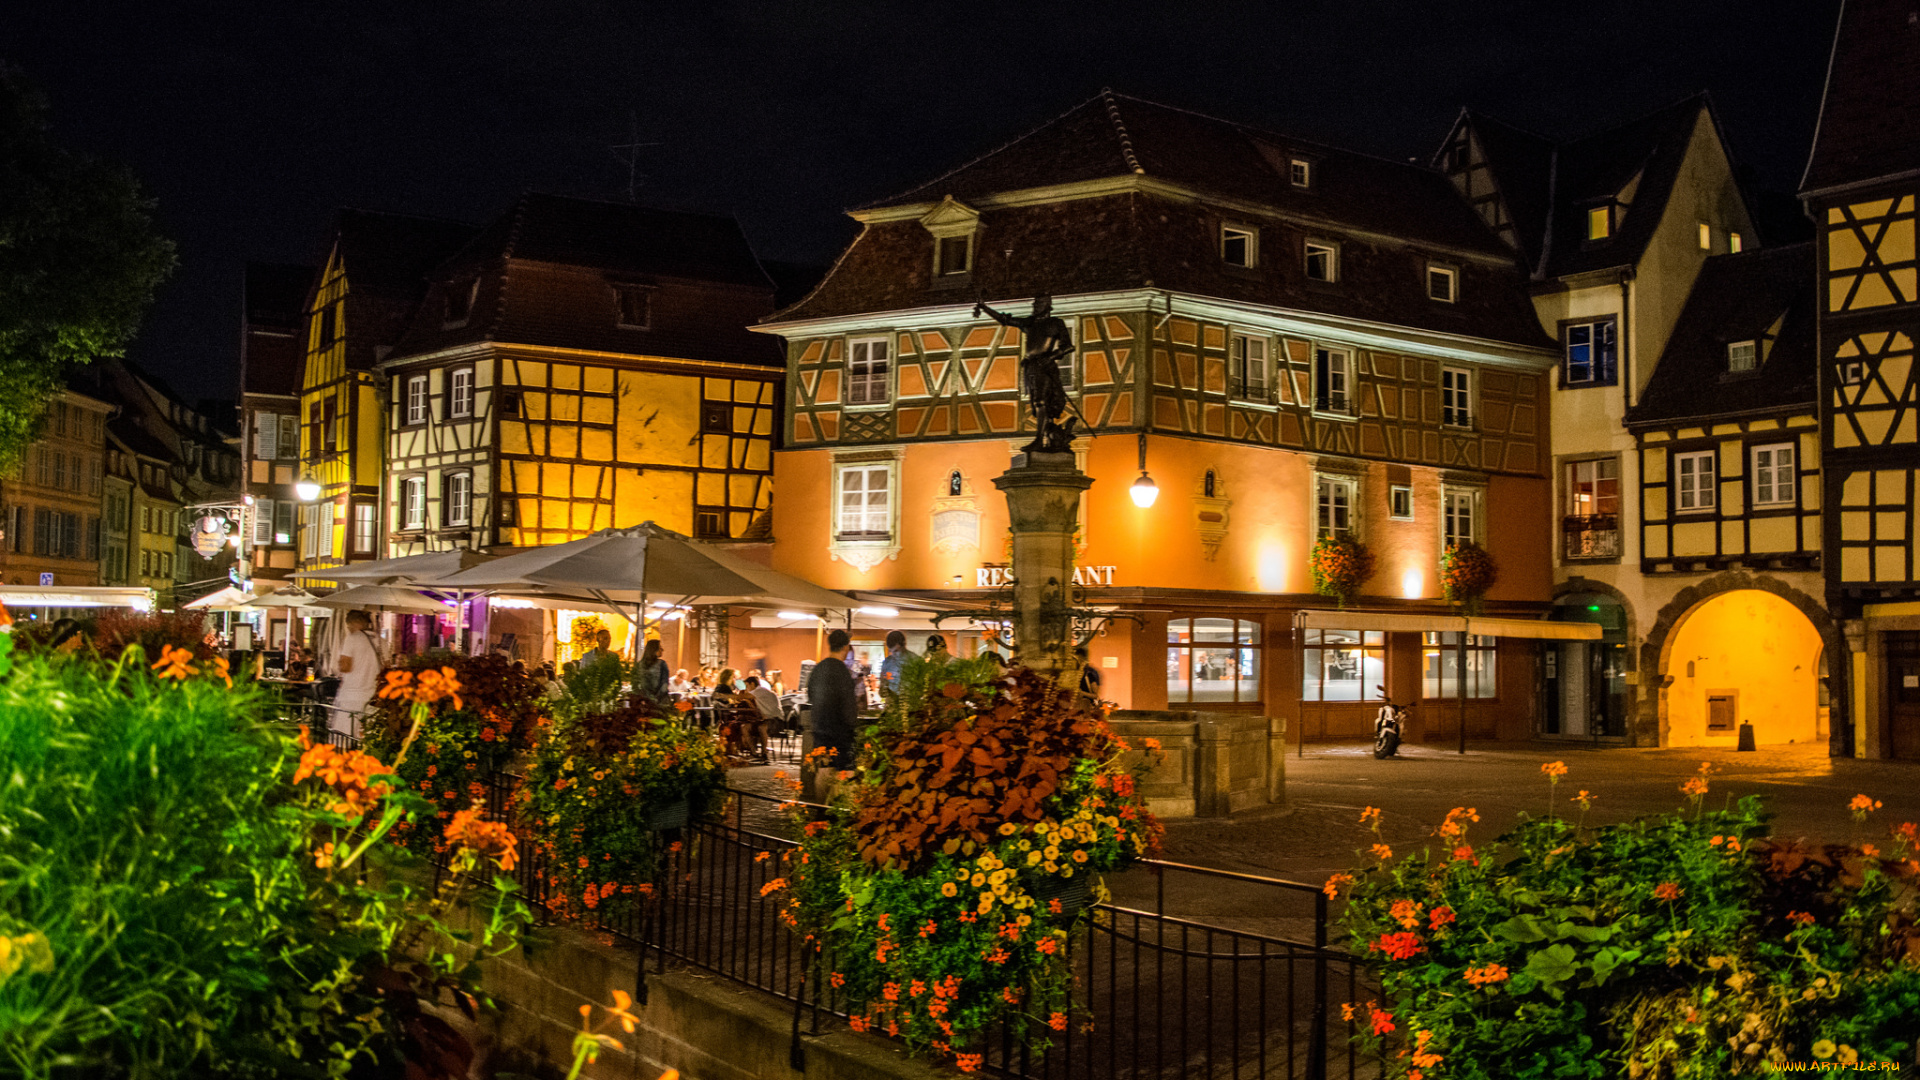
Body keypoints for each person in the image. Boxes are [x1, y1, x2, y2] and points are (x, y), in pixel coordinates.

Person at [807, 629, 858, 776]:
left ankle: (820, 799)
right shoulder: (843, 672)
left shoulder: (818, 669)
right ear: (845, 647)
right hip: (840, 733)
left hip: (820, 730)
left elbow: (810, 696)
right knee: (842, 773)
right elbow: (848, 705)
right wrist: (852, 726)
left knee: (823, 769)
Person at [329, 611, 383, 737]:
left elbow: (345, 667)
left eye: (349, 626)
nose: (349, 629)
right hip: (371, 697)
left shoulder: (352, 638)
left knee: (343, 738)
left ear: (356, 623)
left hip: (351, 697)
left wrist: (339, 662)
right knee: (365, 738)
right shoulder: (380, 641)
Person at [743, 674, 781, 760]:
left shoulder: (759, 691)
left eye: (747, 686)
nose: (746, 688)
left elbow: (742, 696)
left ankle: (764, 753)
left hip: (774, 720)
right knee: (744, 728)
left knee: (762, 728)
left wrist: (724, 696)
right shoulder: (759, 692)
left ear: (752, 684)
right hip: (763, 719)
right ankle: (753, 752)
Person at [635, 638, 670, 705]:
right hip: (660, 702)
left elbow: (636, 684)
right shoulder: (662, 664)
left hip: (644, 701)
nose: (662, 650)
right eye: (660, 648)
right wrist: (656, 699)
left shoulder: (639, 664)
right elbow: (664, 685)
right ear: (654, 650)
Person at [878, 630, 913, 696]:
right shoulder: (887, 662)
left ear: (904, 645)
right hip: (892, 703)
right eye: (891, 651)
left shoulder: (915, 661)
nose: (894, 654)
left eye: (896, 651)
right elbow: (882, 691)